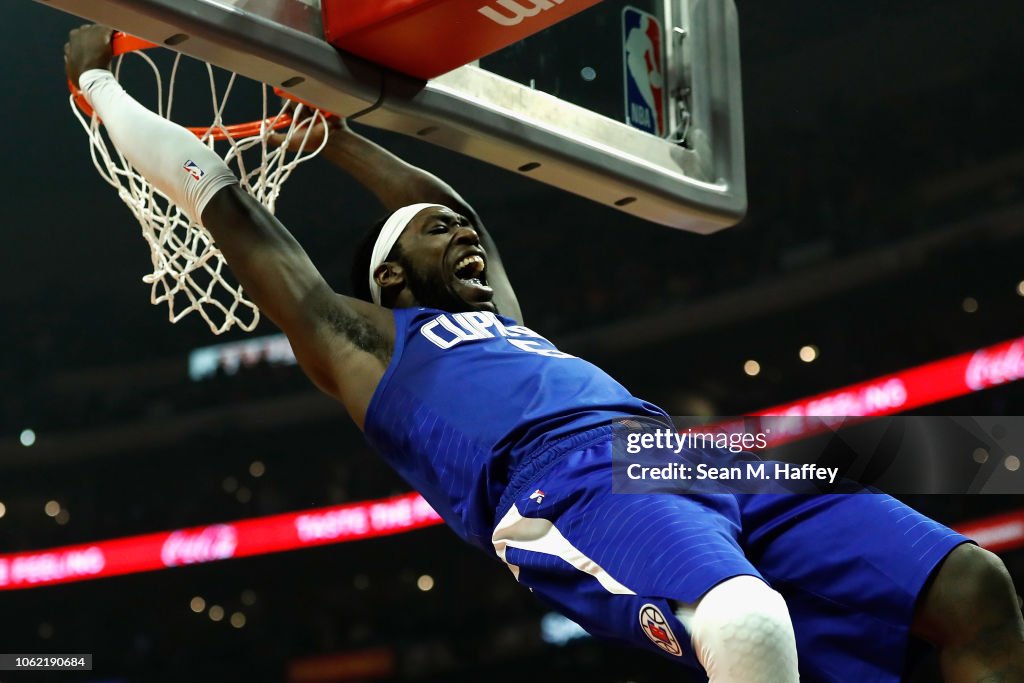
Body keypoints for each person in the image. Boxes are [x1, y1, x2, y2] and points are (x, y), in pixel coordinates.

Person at [65, 25, 1024, 682]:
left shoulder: (507, 318)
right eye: (438, 237)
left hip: (675, 448)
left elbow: (462, 210)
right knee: (745, 621)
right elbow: (230, 204)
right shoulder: (365, 342)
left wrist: (335, 134)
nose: (466, 236)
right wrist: (104, 87)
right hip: (555, 483)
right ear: (395, 278)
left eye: (464, 232)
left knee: (974, 584)